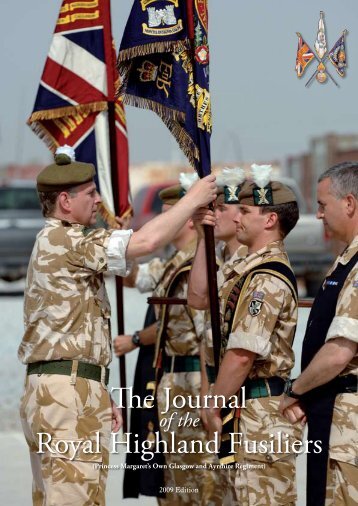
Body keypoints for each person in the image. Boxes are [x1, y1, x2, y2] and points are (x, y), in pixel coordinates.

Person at [18, 146, 216, 506]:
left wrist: (96, 384)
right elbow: (146, 242)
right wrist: (193, 200)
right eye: (91, 193)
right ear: (65, 200)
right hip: (66, 392)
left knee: (76, 494)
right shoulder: (66, 239)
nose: (98, 201)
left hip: (70, 385)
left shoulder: (61, 241)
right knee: (73, 497)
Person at [188, 165, 303, 505]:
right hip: (244, 412)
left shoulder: (266, 278)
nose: (237, 218)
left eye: (246, 212)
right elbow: (197, 298)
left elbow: (242, 355)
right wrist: (201, 237)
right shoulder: (246, 267)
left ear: (269, 220)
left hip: (261, 415)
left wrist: (212, 403)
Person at [116, 179, 223, 505]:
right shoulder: (173, 262)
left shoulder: (200, 265)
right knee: (173, 479)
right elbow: (134, 278)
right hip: (171, 380)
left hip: (193, 380)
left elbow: (206, 336)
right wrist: (123, 241)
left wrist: (135, 339)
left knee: (198, 478)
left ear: (190, 218)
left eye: (173, 214)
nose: (166, 221)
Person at [279, 162, 358, 506]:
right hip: (334, 412)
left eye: (323, 205)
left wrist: (295, 390)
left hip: (348, 423)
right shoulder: (346, 260)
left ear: (350, 203)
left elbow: (340, 350)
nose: (319, 215)